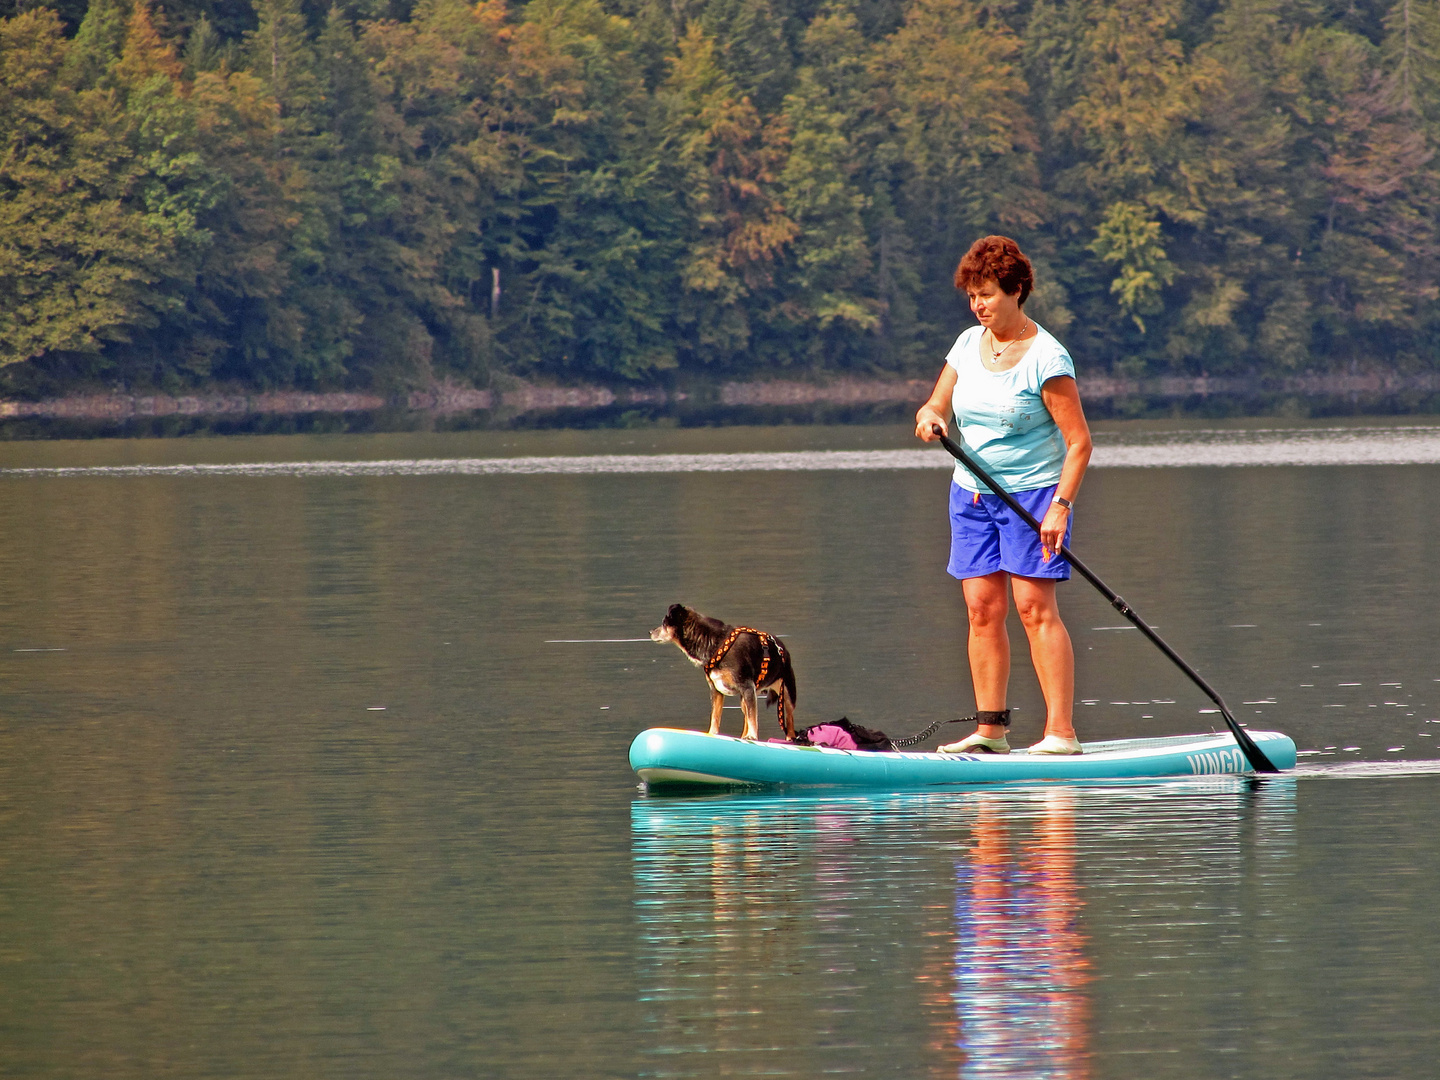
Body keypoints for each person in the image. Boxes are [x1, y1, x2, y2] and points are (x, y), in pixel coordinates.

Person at [915, 236, 1093, 755]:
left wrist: (1060, 507)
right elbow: (935, 404)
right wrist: (930, 418)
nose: (978, 305)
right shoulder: (967, 344)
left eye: (987, 294)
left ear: (1016, 290)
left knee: (1034, 607)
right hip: (971, 495)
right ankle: (991, 731)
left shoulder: (1048, 358)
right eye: (972, 296)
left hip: (1033, 497)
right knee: (980, 609)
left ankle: (1061, 734)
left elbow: (1079, 443)